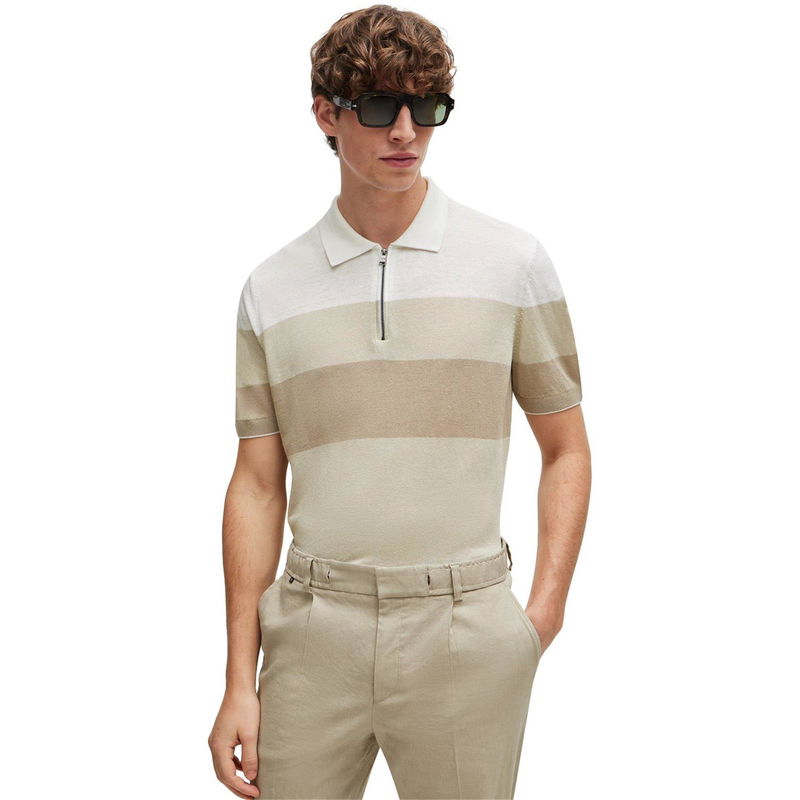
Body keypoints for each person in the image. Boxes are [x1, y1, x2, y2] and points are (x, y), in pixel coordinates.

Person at [209, 5, 591, 798]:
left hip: (466, 630)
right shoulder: (270, 289)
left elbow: (566, 449)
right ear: (327, 114)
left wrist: (541, 617)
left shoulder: (512, 263)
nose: (407, 132)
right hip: (312, 635)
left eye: (427, 107)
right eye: (381, 107)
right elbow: (256, 484)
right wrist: (239, 679)